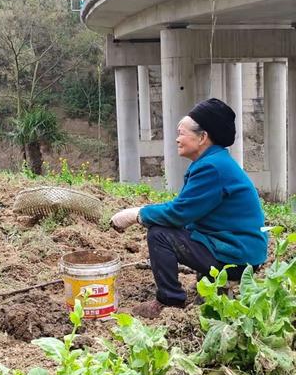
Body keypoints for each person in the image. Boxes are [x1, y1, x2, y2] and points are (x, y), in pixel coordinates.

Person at [111, 98, 268, 319]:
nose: (177, 139)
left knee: (160, 234)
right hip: (236, 250)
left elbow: (178, 213)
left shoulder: (212, 168)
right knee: (187, 232)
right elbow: (187, 213)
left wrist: (136, 214)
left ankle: (169, 301)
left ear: (202, 137)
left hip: (237, 257)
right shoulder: (213, 162)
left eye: (181, 133)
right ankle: (214, 292)